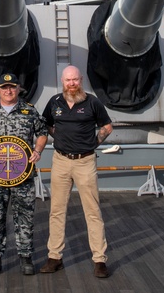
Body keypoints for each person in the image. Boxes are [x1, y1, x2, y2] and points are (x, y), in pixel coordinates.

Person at [39, 65, 113, 279]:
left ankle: (99, 259)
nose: (72, 84)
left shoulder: (92, 102)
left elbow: (107, 127)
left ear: (81, 80)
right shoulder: (55, 102)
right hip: (61, 160)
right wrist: (59, 136)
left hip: (85, 161)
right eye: (68, 80)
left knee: (92, 211)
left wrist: (93, 142)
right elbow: (47, 125)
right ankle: (55, 257)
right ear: (62, 81)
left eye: (75, 80)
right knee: (56, 211)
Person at [0, 73, 48, 276]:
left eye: (12, 87)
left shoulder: (29, 111)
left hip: (23, 175)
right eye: (4, 87)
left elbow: (42, 132)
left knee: (25, 217)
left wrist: (38, 150)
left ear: (18, 88)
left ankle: (25, 257)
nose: (8, 91)